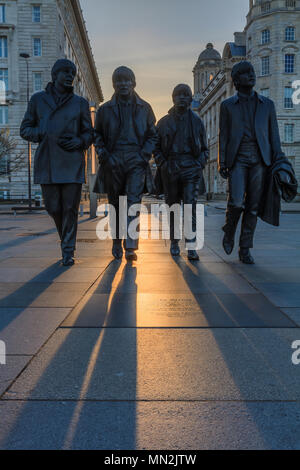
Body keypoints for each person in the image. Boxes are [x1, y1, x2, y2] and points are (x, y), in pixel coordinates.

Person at [20, 59, 93, 266]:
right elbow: (24, 129)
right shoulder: (38, 100)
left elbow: (89, 133)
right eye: (66, 72)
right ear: (55, 75)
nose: (70, 76)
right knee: (53, 207)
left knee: (70, 208)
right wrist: (41, 132)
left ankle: (68, 250)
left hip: (72, 162)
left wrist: (79, 141)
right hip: (48, 162)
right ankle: (66, 240)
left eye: (73, 73)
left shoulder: (80, 103)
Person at [219, 61, 285, 264]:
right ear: (237, 80)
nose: (252, 76)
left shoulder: (267, 105)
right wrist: (223, 162)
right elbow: (224, 136)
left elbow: (274, 137)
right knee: (236, 202)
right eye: (246, 74)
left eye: (252, 73)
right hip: (238, 159)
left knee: (253, 207)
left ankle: (245, 247)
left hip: (260, 161)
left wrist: (279, 161)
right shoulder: (227, 106)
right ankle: (229, 231)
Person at [93, 66, 157, 261]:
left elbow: (152, 135)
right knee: (115, 204)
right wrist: (104, 154)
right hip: (113, 160)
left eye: (126, 80)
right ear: (113, 84)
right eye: (118, 81)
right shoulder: (105, 110)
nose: (122, 84)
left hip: (136, 160)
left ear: (133, 83)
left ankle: (130, 246)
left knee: (133, 202)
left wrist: (143, 154)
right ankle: (115, 240)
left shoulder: (145, 108)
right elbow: (97, 135)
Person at [154, 84, 208, 260]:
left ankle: (191, 245)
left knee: (190, 207)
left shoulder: (197, 122)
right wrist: (163, 163)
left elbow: (205, 149)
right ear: (173, 98)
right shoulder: (163, 123)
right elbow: (155, 147)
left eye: (186, 95)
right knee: (173, 208)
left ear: (191, 99)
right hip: (171, 168)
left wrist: (199, 163)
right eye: (178, 95)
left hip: (190, 168)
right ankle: (174, 242)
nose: (182, 98)